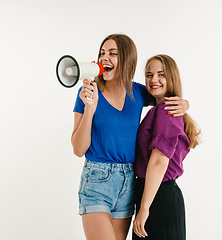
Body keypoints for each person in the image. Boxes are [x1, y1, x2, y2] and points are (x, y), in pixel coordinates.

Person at [71, 34, 189, 240]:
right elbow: (78, 149)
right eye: (102, 53)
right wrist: (90, 108)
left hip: (129, 184)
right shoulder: (88, 93)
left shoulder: (136, 92)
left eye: (113, 54)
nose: (105, 58)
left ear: (126, 59)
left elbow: (162, 95)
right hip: (97, 180)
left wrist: (185, 103)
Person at [132, 54, 201, 240]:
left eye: (161, 74)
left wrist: (145, 208)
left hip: (158, 197)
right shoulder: (162, 108)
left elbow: (159, 161)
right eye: (148, 74)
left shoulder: (166, 109)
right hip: (154, 193)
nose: (154, 79)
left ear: (172, 78)